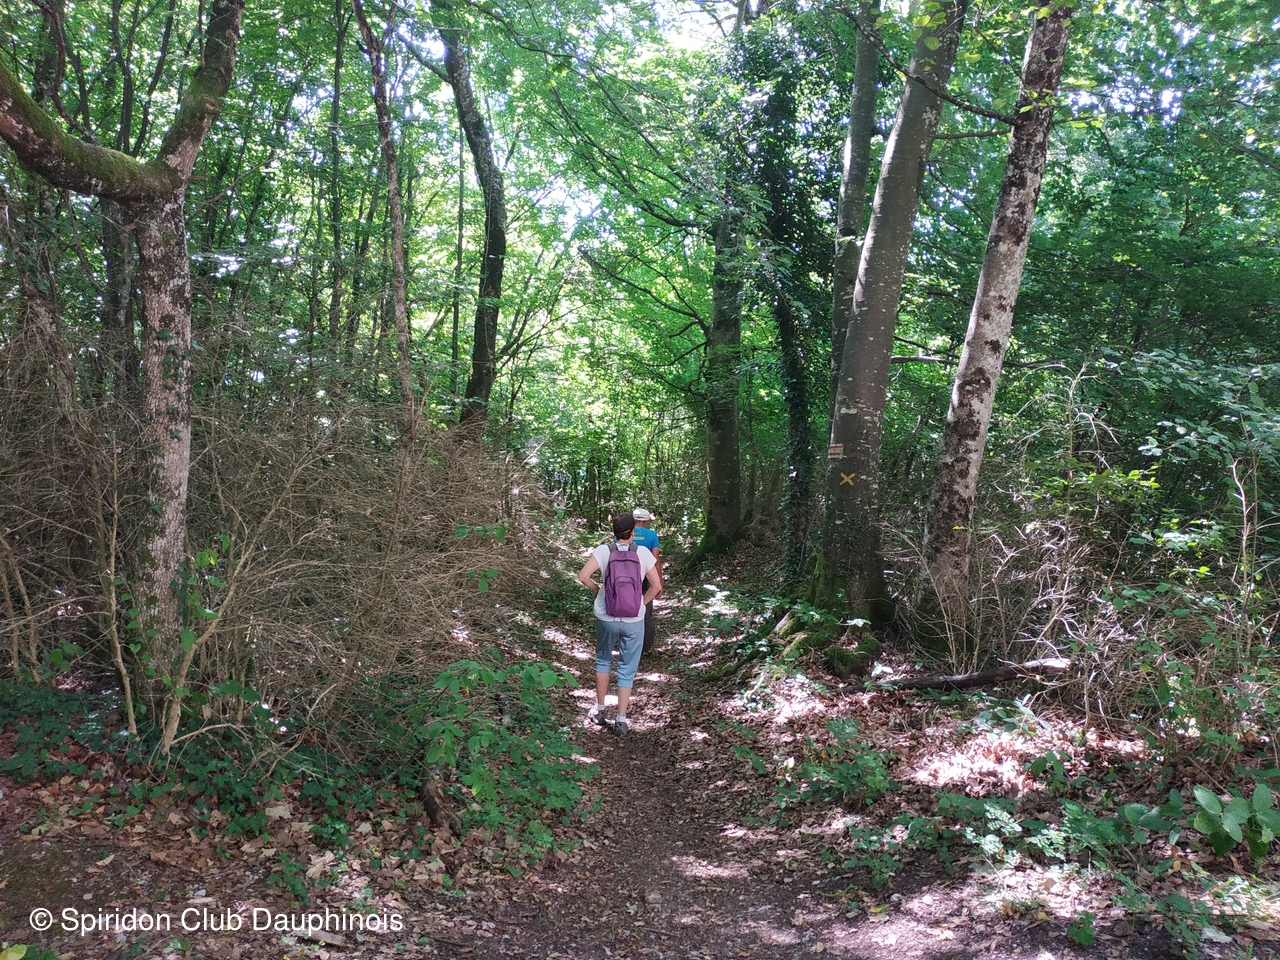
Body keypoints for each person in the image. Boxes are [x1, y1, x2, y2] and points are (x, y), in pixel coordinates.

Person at [577, 511, 662, 736]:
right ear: (633, 532)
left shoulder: (603, 551)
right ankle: (621, 719)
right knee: (627, 667)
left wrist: (597, 589)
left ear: (613, 532)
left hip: (606, 615)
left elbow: (583, 576)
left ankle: (600, 710)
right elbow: (656, 586)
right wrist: (640, 603)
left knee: (603, 660)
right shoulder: (642, 553)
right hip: (634, 619)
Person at [630, 507, 662, 655]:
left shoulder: (624, 533)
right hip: (646, 577)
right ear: (647, 521)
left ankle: (628, 643)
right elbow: (656, 560)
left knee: (626, 607)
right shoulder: (652, 535)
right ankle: (645, 648)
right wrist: (659, 582)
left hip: (626, 576)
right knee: (645, 610)